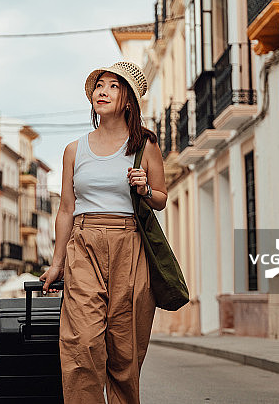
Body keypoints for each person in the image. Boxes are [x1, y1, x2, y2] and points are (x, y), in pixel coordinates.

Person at [40, 62, 166, 404]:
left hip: (130, 245)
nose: (103, 91)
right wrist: (57, 263)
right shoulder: (74, 149)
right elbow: (66, 209)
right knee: (82, 341)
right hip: (84, 244)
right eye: (99, 85)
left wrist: (144, 189)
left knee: (125, 350)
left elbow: (161, 198)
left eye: (113, 86)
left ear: (128, 101)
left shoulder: (145, 146)